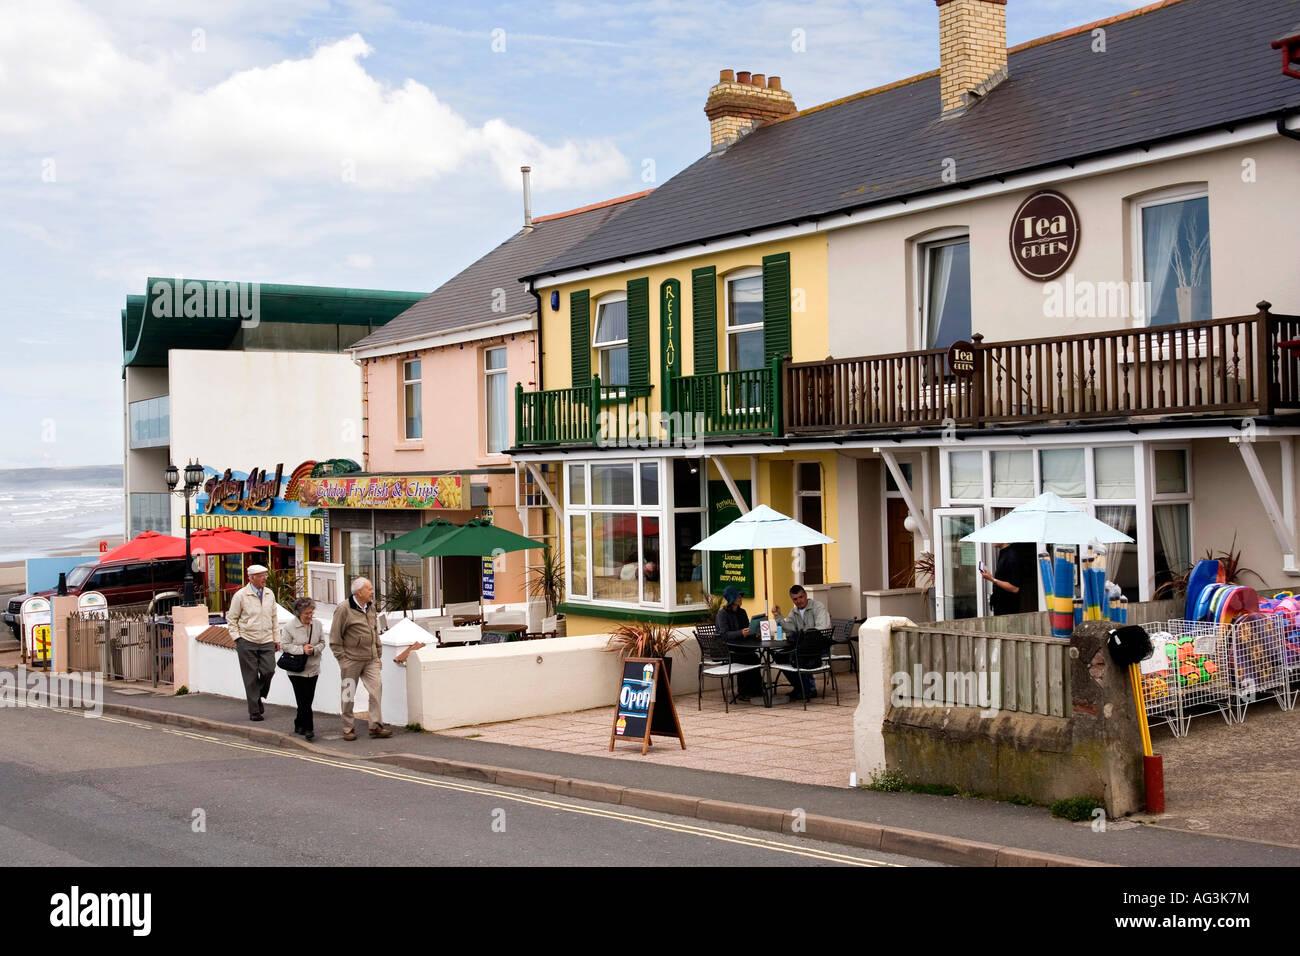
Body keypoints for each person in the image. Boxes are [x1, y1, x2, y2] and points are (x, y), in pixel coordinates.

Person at [330, 577, 392, 741]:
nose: (372, 592)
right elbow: (335, 637)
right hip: (351, 659)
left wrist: (378, 655)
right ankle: (348, 728)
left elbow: (374, 631)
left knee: (376, 689)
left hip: (370, 658)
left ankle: (376, 726)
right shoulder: (343, 609)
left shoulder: (371, 607)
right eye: (369, 589)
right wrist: (342, 659)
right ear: (359, 592)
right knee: (348, 694)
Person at [226, 563, 280, 721]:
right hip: (247, 640)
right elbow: (232, 619)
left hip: (267, 640)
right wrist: (237, 638)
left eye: (265, 575)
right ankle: (254, 711)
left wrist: (276, 638)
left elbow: (274, 618)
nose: (265, 578)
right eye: (261, 576)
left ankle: (258, 695)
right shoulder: (241, 595)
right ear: (252, 578)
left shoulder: (269, 593)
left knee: (269, 670)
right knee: (250, 677)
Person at [773, 584, 831, 700]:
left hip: (819, 646)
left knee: (797, 655)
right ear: (792, 600)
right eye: (795, 599)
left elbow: (822, 628)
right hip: (802, 646)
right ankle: (799, 687)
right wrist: (778, 616)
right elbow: (790, 628)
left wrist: (804, 637)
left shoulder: (817, 607)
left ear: (806, 595)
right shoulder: (794, 611)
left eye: (801, 597)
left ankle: (809, 689)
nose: (799, 601)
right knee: (780, 656)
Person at [282, 596, 326, 740]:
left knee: (308, 699)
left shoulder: (317, 625)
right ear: (298, 613)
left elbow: (322, 643)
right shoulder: (289, 627)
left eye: (311, 612)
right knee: (303, 700)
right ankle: (309, 729)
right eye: (306, 613)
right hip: (296, 670)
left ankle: (298, 723)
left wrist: (314, 649)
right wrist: (302, 649)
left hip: (313, 668)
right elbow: (284, 646)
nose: (309, 616)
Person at [714, 585, 763, 702]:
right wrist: (741, 632)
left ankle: (756, 690)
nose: (741, 598)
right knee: (746, 659)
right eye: (738, 596)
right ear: (732, 598)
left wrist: (754, 633)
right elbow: (724, 635)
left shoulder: (742, 612)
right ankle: (743, 692)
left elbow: (747, 629)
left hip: (741, 646)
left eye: (741, 596)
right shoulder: (722, 614)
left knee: (754, 658)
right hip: (727, 649)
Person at [981, 543, 1021, 616]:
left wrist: (992, 579)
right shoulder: (1003, 553)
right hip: (1001, 609)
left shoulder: (1011, 556)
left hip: (1008, 611)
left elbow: (1015, 588)